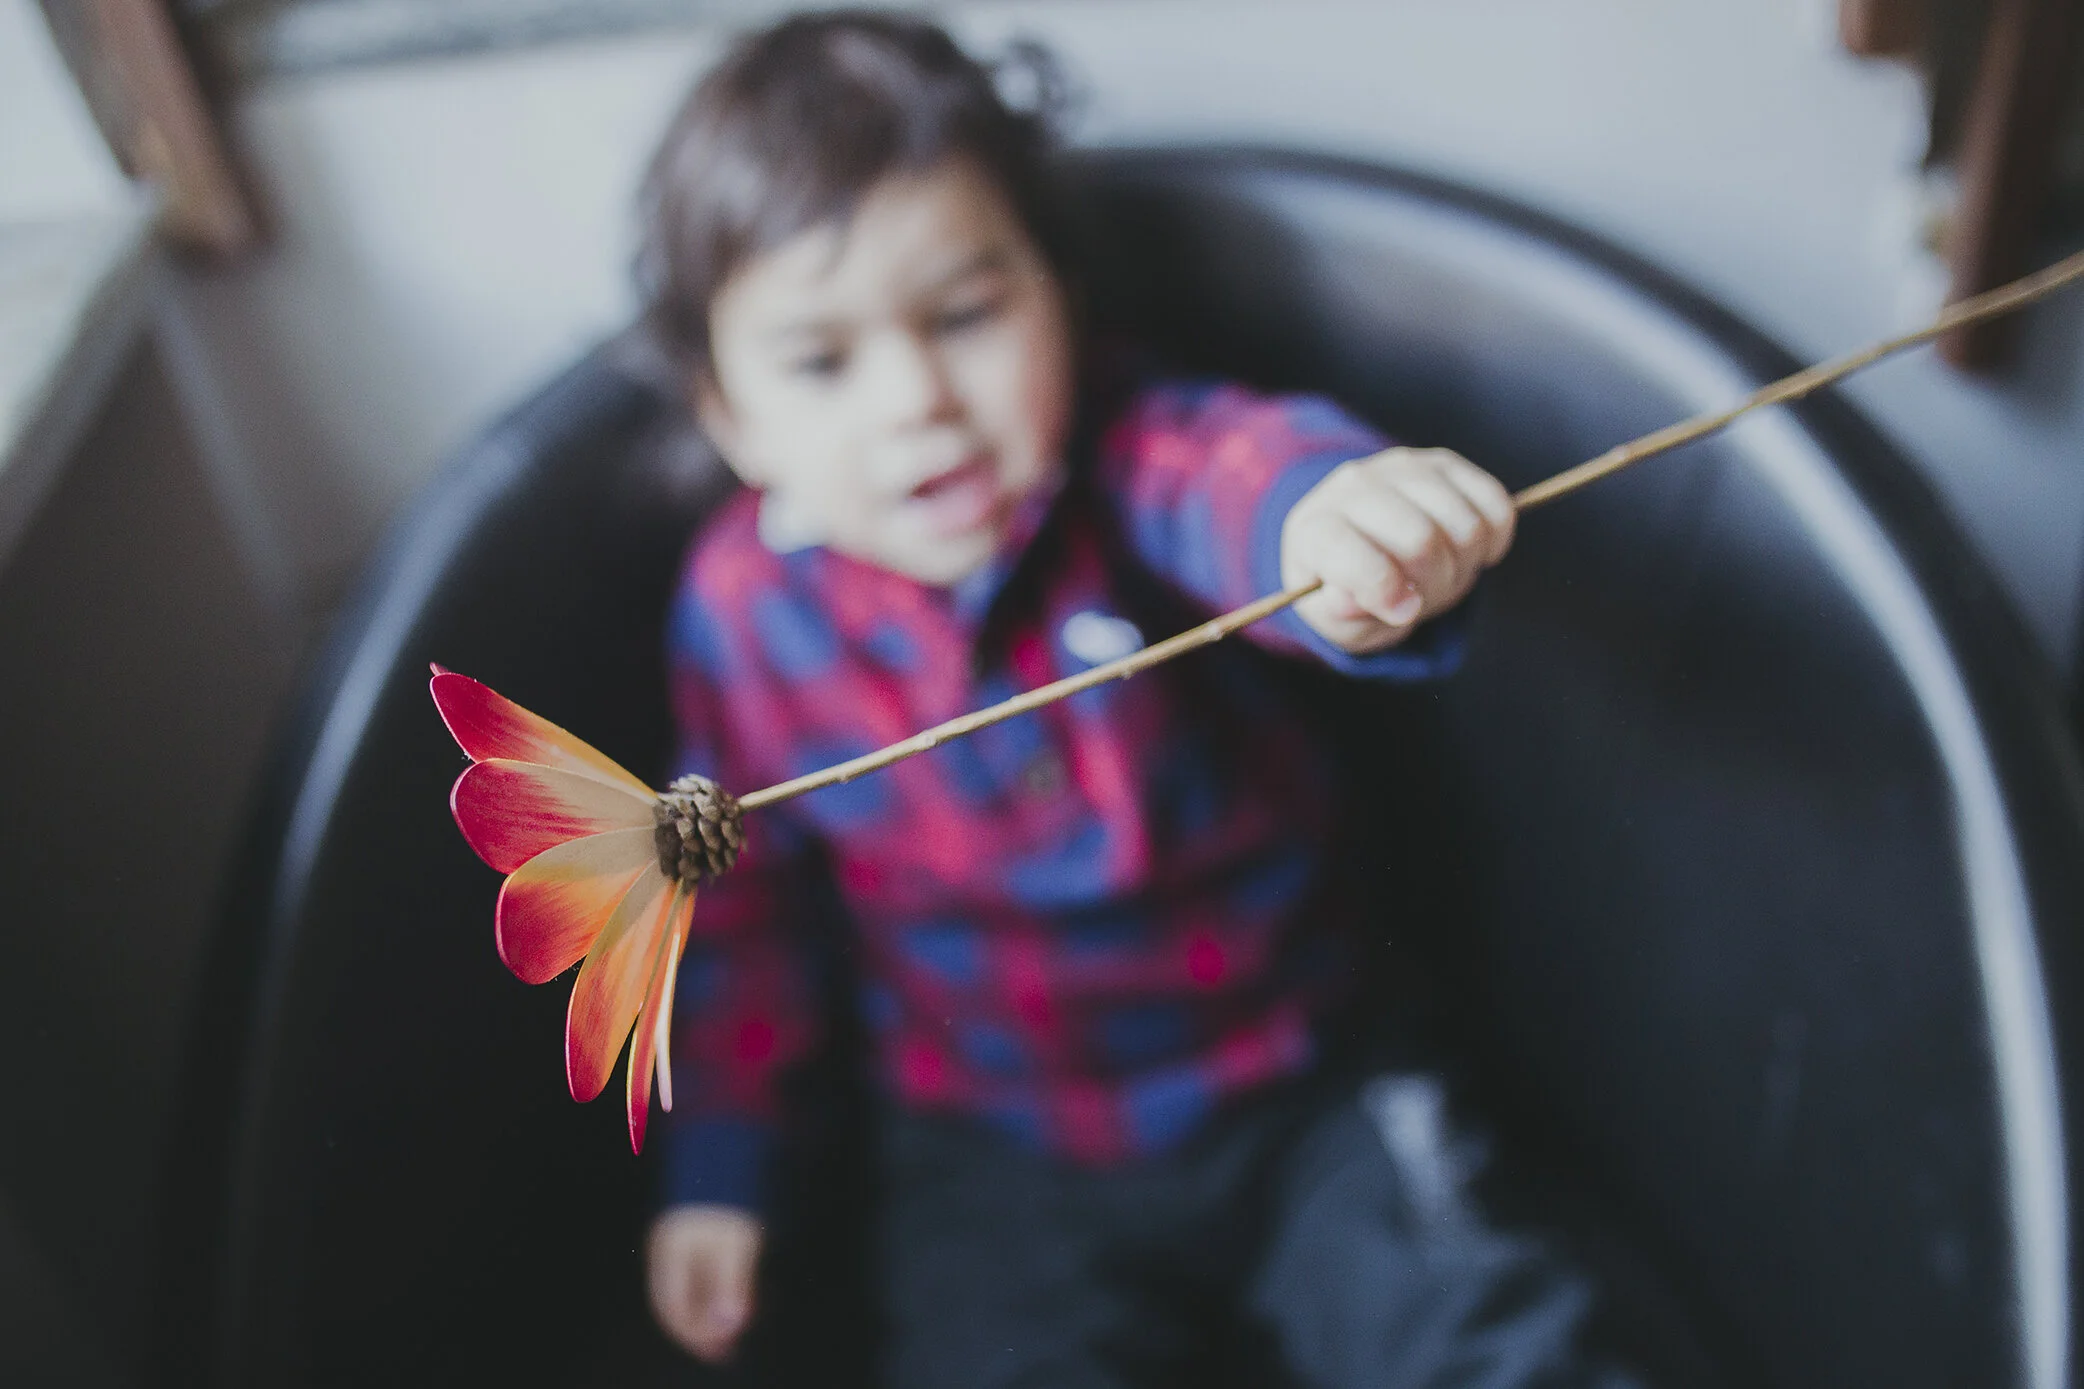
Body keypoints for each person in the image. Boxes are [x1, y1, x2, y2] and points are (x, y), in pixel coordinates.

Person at [637, 11, 1629, 1387]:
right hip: (999, 1152)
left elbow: (1232, 477)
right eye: (822, 362)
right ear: (728, 417)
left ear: (1060, 296)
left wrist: (1334, 530)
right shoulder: (741, 611)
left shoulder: (1126, 454)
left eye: (967, 316)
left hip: (1308, 1084)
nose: (917, 397)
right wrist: (724, 1166)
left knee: (1494, 1345)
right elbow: (739, 914)